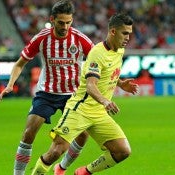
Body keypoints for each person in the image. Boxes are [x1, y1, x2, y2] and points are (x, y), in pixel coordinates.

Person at [30, 13, 138, 175]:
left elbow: (107, 74)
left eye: (129, 33)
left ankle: (83, 172)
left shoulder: (119, 50)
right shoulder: (97, 53)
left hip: (99, 113)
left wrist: (121, 83)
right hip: (80, 109)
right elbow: (90, 85)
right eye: (125, 33)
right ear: (113, 32)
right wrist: (105, 101)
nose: (128, 37)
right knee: (56, 151)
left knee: (122, 151)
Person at [0, 1, 94, 175]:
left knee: (83, 135)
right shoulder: (42, 38)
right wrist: (11, 84)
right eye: (61, 22)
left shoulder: (80, 39)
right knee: (28, 133)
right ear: (52, 19)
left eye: (68, 22)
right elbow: (20, 64)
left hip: (73, 95)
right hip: (47, 93)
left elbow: (99, 63)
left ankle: (61, 168)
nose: (65, 26)